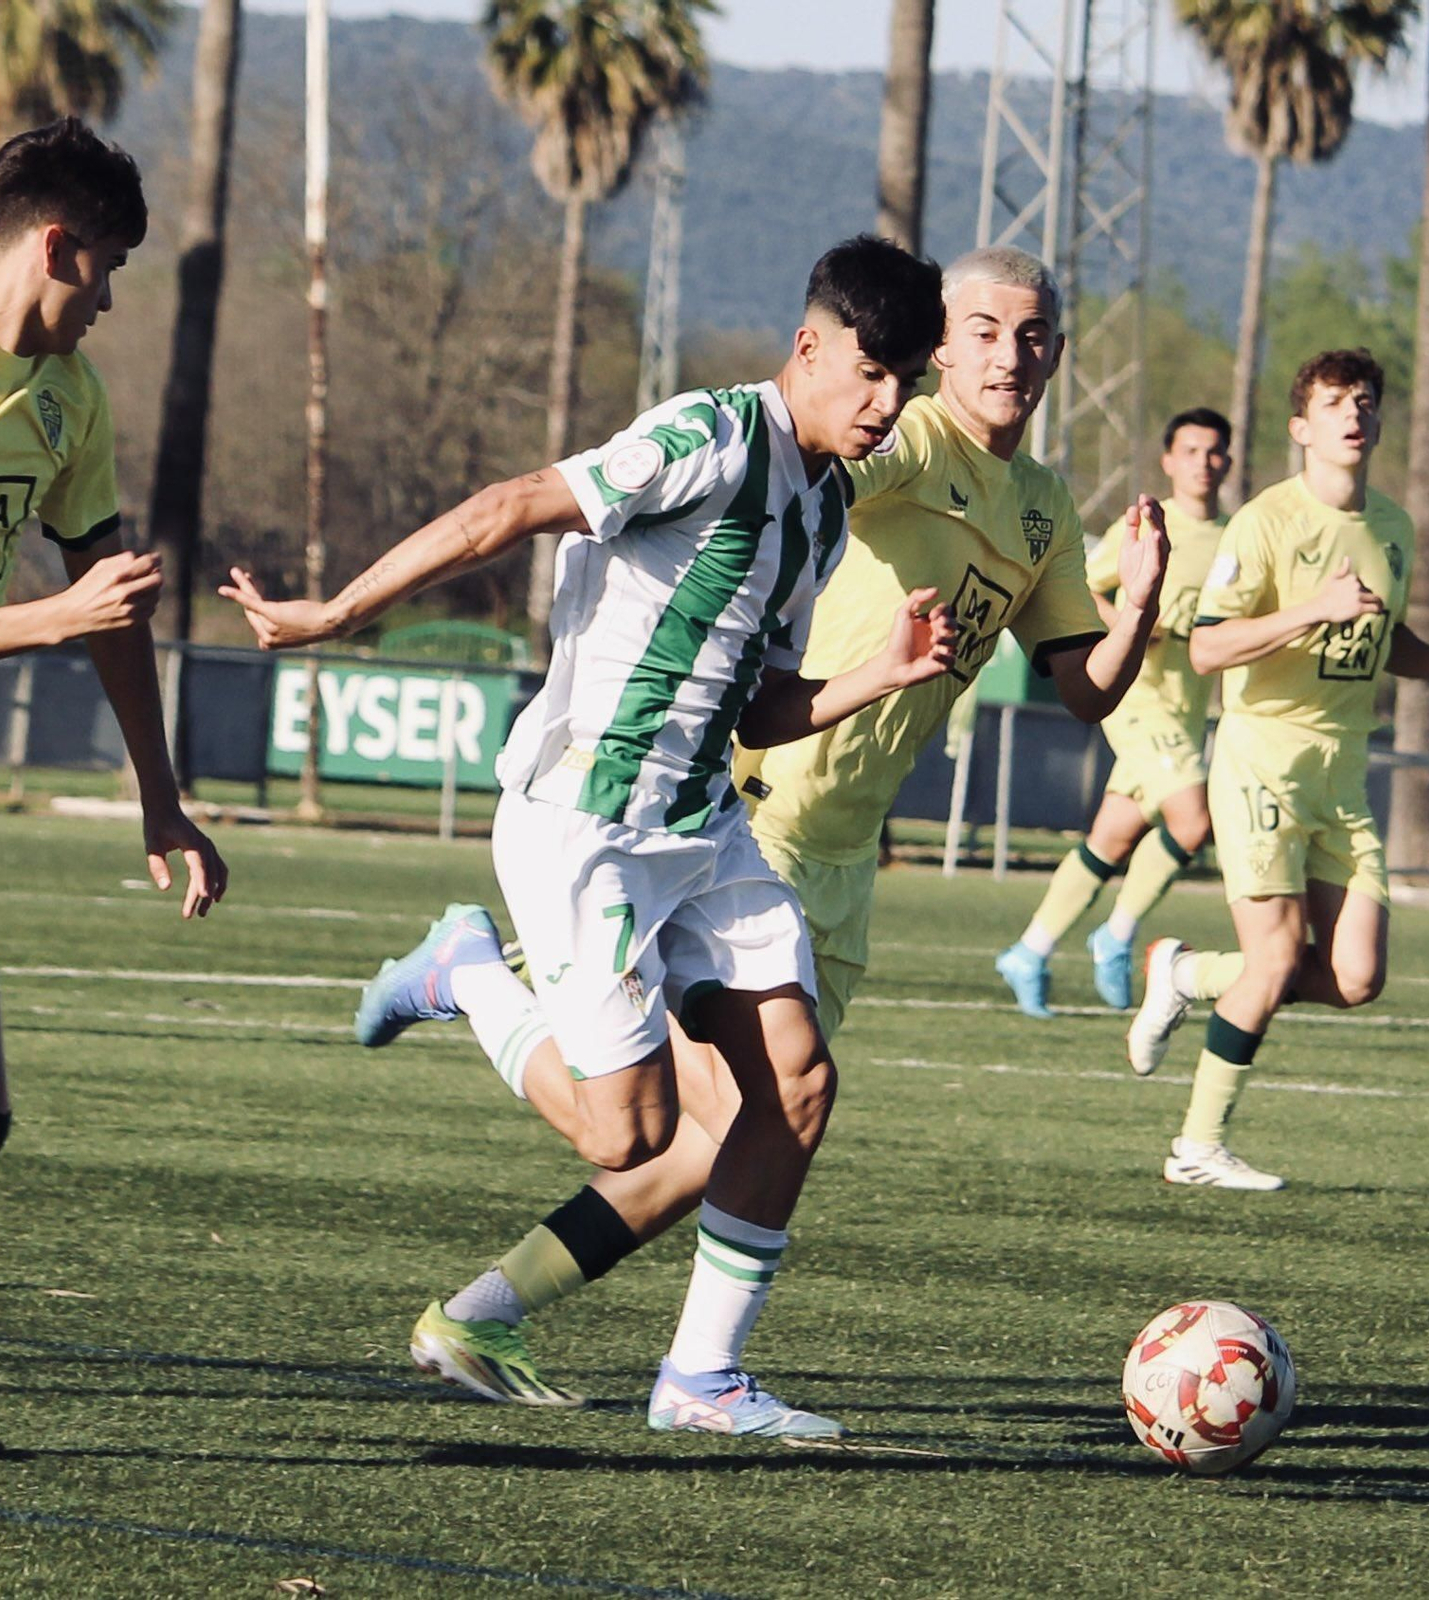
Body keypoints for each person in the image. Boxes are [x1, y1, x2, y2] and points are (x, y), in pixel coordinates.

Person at [361, 245, 1172, 1415]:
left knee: (749, 1126)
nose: (1011, 353)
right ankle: (634, 1339)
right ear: (938, 346)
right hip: (746, 804)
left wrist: (1137, 604)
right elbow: (757, 484)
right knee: (691, 1126)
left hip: (843, 848)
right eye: (985, 330)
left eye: (1035, 334)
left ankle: (513, 1324)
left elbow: (1085, 689)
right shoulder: (895, 440)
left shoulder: (1040, 508)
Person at [226, 235, 959, 1439]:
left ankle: (701, 1380)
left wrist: (873, 676)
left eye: (904, 384)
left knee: (797, 1082)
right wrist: (336, 611)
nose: (886, 404)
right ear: (810, 345)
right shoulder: (709, 437)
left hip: (701, 823)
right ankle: (466, 969)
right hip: (586, 821)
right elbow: (509, 507)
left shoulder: (824, 510)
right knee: (631, 1131)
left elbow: (759, 703)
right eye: (870, 373)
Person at [0, 119, 228, 1457]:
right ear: (56, 246)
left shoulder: (69, 401)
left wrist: (160, 794)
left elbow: (113, 609)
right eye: (110, 269)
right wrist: (43, 619)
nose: (115, 302)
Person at [1126, 348, 1429, 1189]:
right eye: (1333, 403)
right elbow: (1207, 647)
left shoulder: (1392, 525)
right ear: (1301, 427)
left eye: (1364, 402)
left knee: (1357, 978)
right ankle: (1197, 1147)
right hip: (1261, 763)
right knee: (1277, 958)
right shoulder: (1267, 522)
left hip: (1340, 777)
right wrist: (1311, 608)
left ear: (1379, 421)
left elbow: (1384, 644)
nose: (1353, 414)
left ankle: (1187, 973)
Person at [997, 409, 1231, 1015]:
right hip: (1136, 703)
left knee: (1112, 838)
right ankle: (1119, 934)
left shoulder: (1233, 538)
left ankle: (1030, 948)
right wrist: (1133, 619)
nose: (1204, 463)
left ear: (1227, 462)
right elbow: (1081, 587)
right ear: (1169, 461)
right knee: (1192, 821)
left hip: (1183, 715)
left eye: (1215, 452)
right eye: (1192, 450)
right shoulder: (1151, 527)